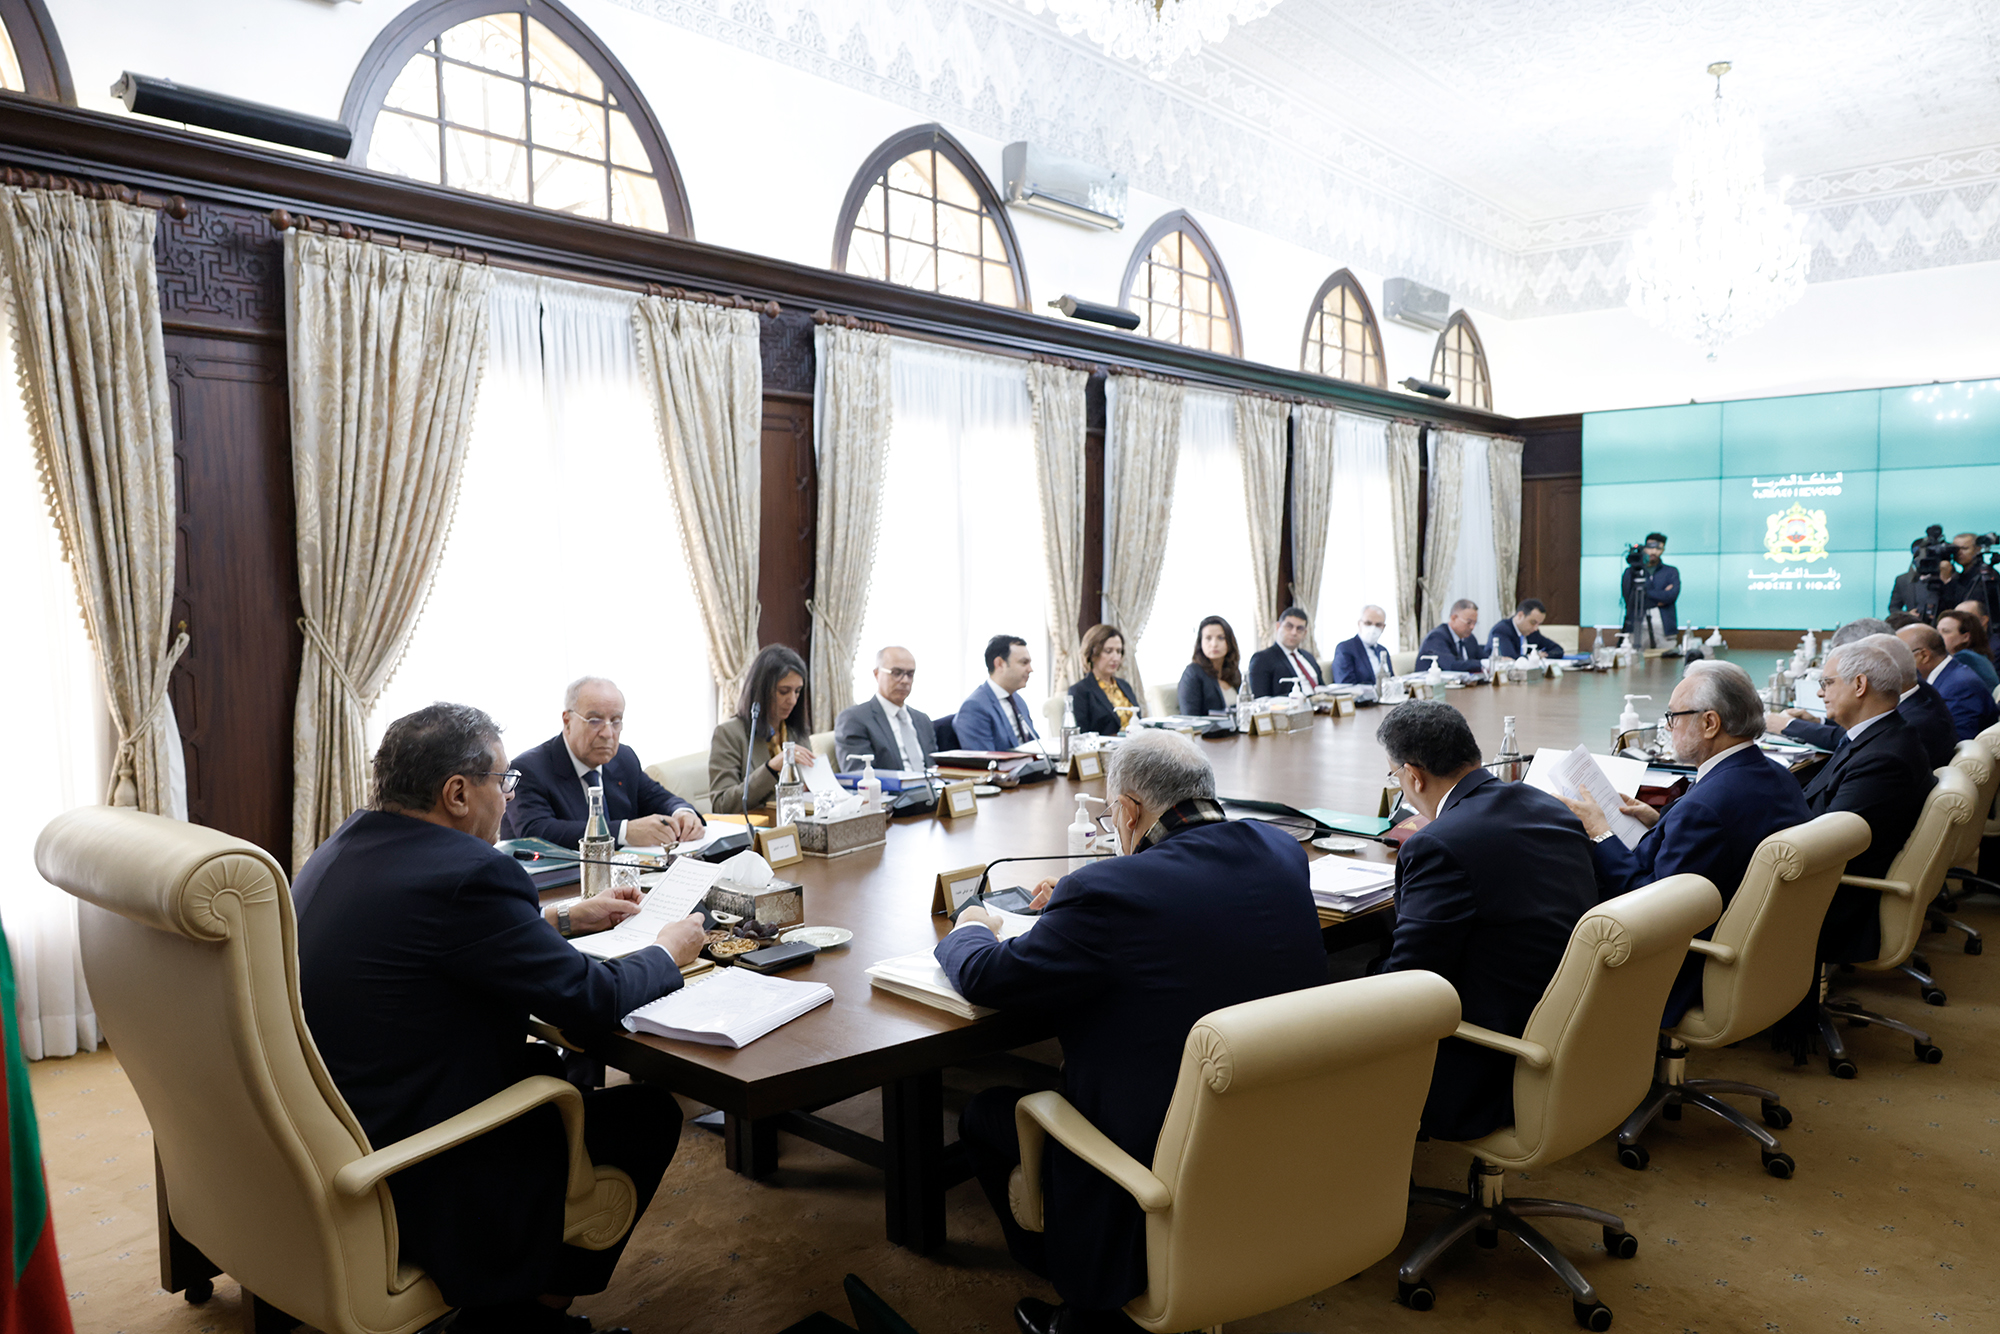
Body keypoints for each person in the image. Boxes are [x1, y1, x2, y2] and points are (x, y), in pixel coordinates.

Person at [293, 703, 707, 1334]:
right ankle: (524, 1320)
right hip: (421, 1159)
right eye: (503, 781)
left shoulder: (341, 847)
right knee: (645, 1116)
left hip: (335, 1129)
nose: (508, 795)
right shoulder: (470, 873)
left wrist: (560, 918)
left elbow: (425, 935)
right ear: (457, 793)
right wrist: (667, 951)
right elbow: (589, 997)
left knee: (561, 1078)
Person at [937, 730, 1323, 1334]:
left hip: (1157, 1158)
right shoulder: (1281, 851)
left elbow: (988, 976)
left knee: (985, 1115)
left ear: (1126, 810)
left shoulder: (1108, 895)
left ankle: (1089, 1312)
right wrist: (1075, 908)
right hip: (1276, 1131)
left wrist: (972, 925)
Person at [1373, 700, 1598, 1141]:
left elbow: (1409, 982)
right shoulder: (1550, 807)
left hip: (1489, 1066)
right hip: (1571, 1034)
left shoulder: (1437, 845)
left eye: (1394, 776)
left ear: (1413, 776)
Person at [1559, 661, 1809, 1024]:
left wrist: (1600, 832)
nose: (1668, 727)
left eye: (1673, 717)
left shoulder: (1704, 809)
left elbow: (1651, 905)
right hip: (1766, 954)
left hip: (1683, 969)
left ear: (1710, 723)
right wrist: (1661, 821)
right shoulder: (1776, 774)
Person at [1803, 636, 1938, 963]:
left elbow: (1827, 846)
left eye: (1827, 683)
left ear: (1860, 685)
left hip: (1837, 907)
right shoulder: (1884, 736)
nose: (1821, 693)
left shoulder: (1883, 759)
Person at [504, 677, 705, 848]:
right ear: (567, 721)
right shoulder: (529, 769)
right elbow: (537, 833)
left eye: (616, 721)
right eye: (594, 720)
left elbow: (659, 798)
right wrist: (624, 832)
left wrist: (683, 813)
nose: (608, 733)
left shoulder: (623, 758)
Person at [1767, 621, 1956, 768]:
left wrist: (1789, 726)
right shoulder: (1917, 694)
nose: (1820, 693)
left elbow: (1858, 738)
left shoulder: (1913, 723)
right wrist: (1818, 721)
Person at [709, 644, 817, 813]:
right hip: (758, 826)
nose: (793, 700)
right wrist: (771, 768)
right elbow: (722, 804)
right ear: (762, 690)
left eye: (797, 691)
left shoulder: (796, 732)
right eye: (784, 691)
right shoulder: (729, 734)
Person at [833, 645, 937, 773]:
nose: (905, 680)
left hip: (932, 785)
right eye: (896, 673)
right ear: (877, 674)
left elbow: (935, 767)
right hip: (889, 786)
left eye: (910, 674)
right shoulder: (854, 719)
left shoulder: (922, 720)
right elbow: (859, 774)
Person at [1898, 622, 1999, 740]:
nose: (1893, 663)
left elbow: (1958, 740)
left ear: (1924, 656)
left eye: (1898, 656)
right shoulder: (1949, 676)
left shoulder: (1960, 687)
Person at [955, 634, 1040, 751]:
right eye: (1024, 663)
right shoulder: (974, 707)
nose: (1030, 669)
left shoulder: (1018, 700)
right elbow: (984, 759)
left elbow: (1035, 744)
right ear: (999, 664)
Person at [1067, 623, 1142, 736]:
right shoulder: (1079, 691)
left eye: (1118, 651)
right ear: (1093, 654)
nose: (1115, 658)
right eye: (1108, 651)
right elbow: (1081, 735)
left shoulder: (1124, 685)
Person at [1245, 606, 1323, 697]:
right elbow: (1261, 698)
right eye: (1289, 626)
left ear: (1304, 633)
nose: (1294, 633)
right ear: (1278, 626)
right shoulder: (1262, 659)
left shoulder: (1308, 657)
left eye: (1299, 629)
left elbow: (1323, 688)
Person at [1177, 614, 1242, 714]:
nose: (1214, 644)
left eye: (1221, 638)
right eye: (1208, 638)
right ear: (1200, 643)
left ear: (1229, 642)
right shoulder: (1192, 673)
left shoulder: (1233, 671)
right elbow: (1189, 717)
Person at [1623, 532, 1680, 645]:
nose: (1654, 551)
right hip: (1636, 627)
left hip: (1665, 628)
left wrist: (1644, 593)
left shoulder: (1671, 571)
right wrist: (1659, 598)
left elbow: (1671, 596)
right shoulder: (1631, 572)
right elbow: (1630, 599)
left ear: (1663, 550)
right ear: (1644, 548)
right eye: (1650, 547)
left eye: (1658, 548)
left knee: (1667, 656)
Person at [1936, 608, 2000, 691]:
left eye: (1946, 631)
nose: (1938, 636)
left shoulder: (1965, 657)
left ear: (1965, 637)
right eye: (1937, 631)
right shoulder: (1975, 656)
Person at [1417, 599, 1487, 674]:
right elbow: (1451, 665)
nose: (1472, 627)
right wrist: (1483, 663)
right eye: (1469, 622)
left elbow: (1483, 658)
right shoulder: (1436, 637)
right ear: (1454, 618)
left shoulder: (1469, 638)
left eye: (1474, 623)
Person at [1330, 605, 1395, 685]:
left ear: (1383, 627)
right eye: (1368, 623)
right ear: (1359, 623)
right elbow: (1345, 685)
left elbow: (1391, 679)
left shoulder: (1383, 650)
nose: (1373, 629)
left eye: (1378, 624)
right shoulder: (1345, 649)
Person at [1487, 597, 1565, 660]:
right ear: (1520, 615)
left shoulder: (1532, 633)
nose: (1535, 628)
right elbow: (1510, 658)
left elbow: (1557, 650)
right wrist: (1535, 657)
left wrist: (1544, 656)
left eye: (1538, 624)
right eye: (1533, 622)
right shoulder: (1501, 630)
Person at [1942, 533, 1999, 616]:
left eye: (1964, 548)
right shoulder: (1956, 577)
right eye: (1956, 549)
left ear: (1978, 549)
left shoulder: (1987, 575)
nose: (1959, 553)